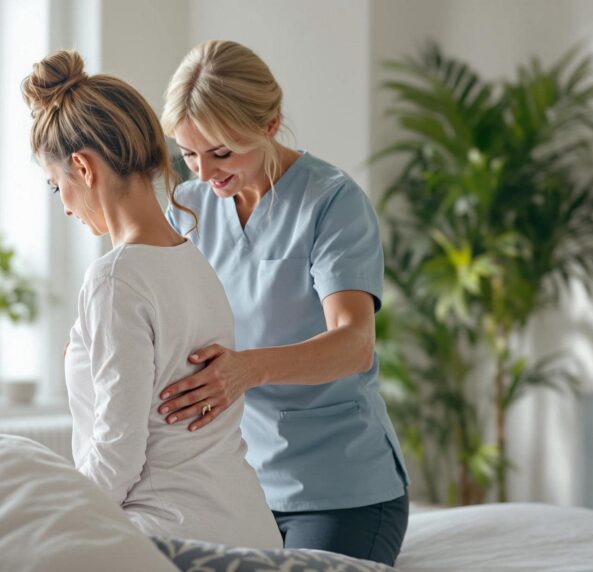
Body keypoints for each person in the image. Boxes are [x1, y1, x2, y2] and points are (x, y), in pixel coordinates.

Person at [156, 40, 410, 566]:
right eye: (189, 154)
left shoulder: (332, 203)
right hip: (238, 486)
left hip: (342, 489)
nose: (204, 173)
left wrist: (245, 370)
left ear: (270, 124)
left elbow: (354, 345)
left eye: (222, 152)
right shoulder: (190, 207)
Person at [21, 49, 281, 549]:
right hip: (252, 531)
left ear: (83, 166)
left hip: (172, 539)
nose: (66, 207)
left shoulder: (117, 278)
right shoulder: (193, 260)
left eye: (58, 188)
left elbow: (118, 452)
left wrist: (57, 526)